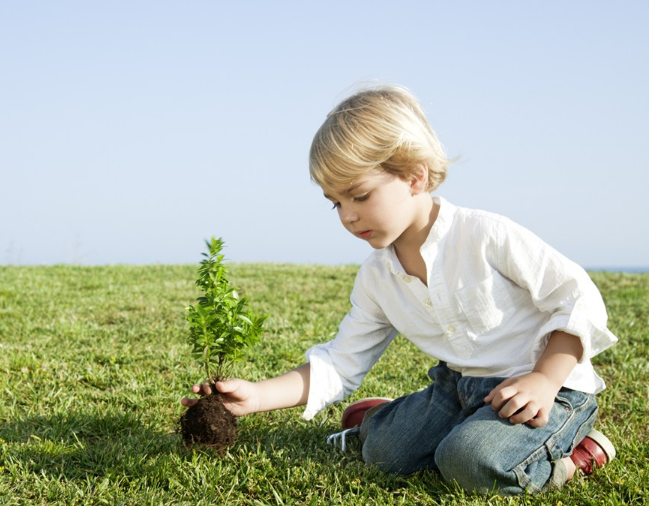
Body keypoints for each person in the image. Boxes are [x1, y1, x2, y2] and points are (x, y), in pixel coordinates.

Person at [181, 84, 618, 495]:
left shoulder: (486, 236)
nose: (348, 216)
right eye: (336, 202)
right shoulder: (377, 277)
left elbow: (577, 298)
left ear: (413, 176)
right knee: (383, 454)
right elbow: (340, 361)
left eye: (359, 195)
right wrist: (256, 395)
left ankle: (572, 459)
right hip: (458, 388)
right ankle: (387, 419)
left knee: (467, 461)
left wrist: (545, 378)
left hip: (548, 393)